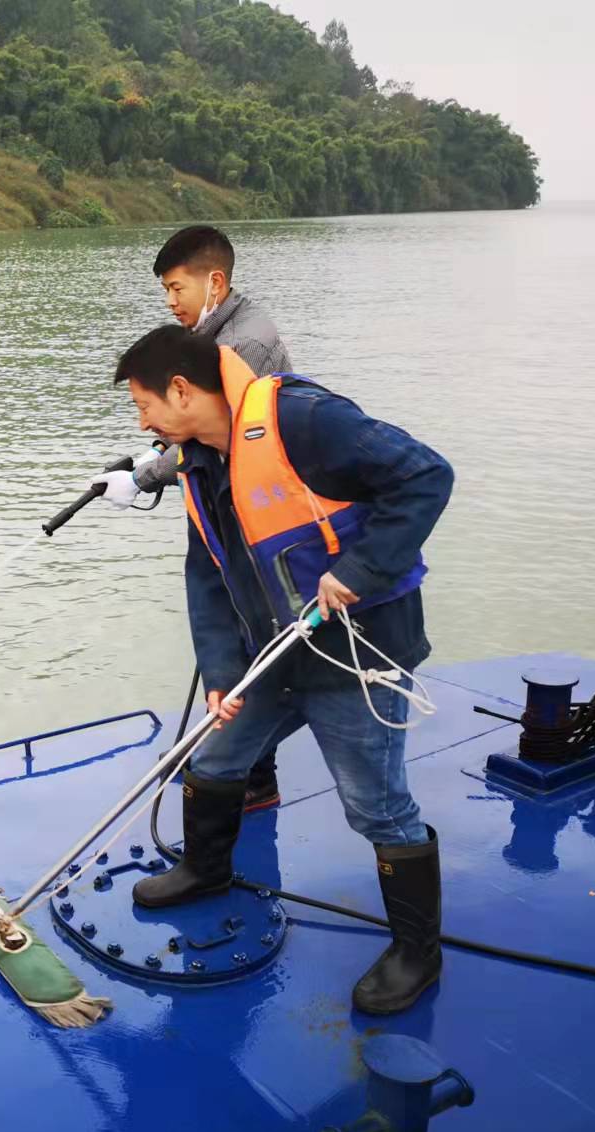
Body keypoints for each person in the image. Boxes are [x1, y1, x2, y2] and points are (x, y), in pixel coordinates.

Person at [107, 325, 454, 1015]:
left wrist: (359, 569)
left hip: (355, 653)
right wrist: (219, 672)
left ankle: (418, 950)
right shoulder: (198, 462)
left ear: (182, 389)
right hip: (270, 653)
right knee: (216, 754)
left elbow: (426, 476)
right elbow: (207, 574)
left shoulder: (305, 419)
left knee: (377, 805)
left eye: (145, 405)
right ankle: (206, 869)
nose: (142, 423)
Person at [100, 225, 292, 811]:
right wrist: (155, 451)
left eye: (176, 288)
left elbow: (215, 436)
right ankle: (239, 760)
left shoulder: (243, 344)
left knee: (250, 629)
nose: (170, 301)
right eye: (164, 290)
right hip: (222, 499)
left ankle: (250, 774)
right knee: (226, 625)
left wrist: (143, 477)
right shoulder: (211, 337)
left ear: (215, 282)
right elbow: (189, 426)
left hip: (250, 511)